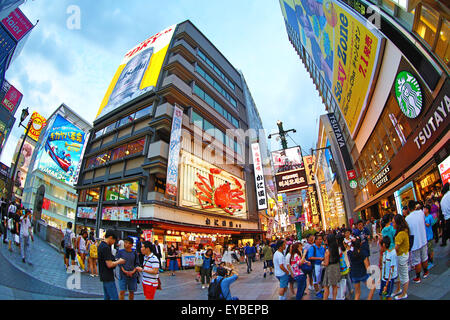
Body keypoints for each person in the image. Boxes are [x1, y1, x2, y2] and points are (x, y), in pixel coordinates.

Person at [97, 229, 126, 300]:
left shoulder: (101, 245)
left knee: (107, 297)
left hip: (104, 275)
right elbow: (109, 264)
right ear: (110, 237)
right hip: (108, 276)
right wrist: (119, 261)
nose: (114, 243)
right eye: (114, 240)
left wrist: (115, 260)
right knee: (114, 297)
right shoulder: (105, 247)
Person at [405, 200, 429, 283]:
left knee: (417, 260)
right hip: (423, 239)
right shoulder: (420, 213)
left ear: (408, 208)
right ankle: (426, 272)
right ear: (415, 206)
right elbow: (421, 207)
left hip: (415, 243)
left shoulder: (407, 218)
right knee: (424, 257)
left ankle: (418, 277)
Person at [392, 214, 410, 300]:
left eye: (393, 222)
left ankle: (404, 293)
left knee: (403, 275)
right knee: (400, 274)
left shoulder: (400, 234)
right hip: (403, 254)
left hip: (402, 256)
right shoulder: (404, 231)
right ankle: (399, 289)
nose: (393, 224)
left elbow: (396, 247)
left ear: (398, 223)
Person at [322, 234, 341, 300]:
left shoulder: (328, 250)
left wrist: (322, 263)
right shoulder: (336, 249)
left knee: (326, 286)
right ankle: (334, 298)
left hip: (330, 269)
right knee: (334, 285)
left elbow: (326, 263)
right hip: (336, 267)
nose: (325, 241)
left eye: (326, 240)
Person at [336, 234, 352, 300]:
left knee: (343, 281)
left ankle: (344, 294)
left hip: (342, 267)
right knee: (348, 278)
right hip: (347, 264)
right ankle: (350, 289)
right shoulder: (344, 246)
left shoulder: (338, 249)